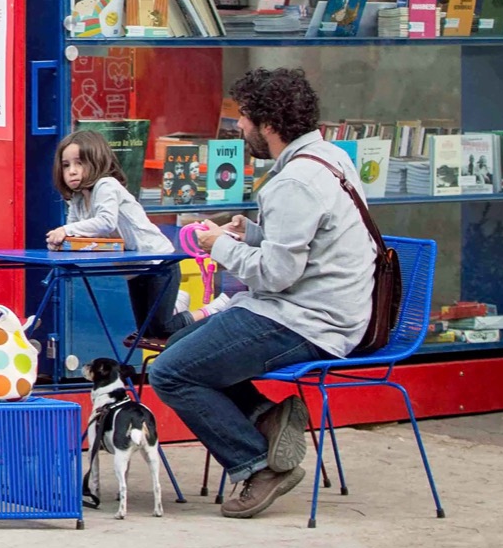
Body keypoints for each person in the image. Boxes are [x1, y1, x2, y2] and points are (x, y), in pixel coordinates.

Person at [149, 67, 377, 520]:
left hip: (307, 319)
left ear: (268, 125)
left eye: (245, 118)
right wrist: (250, 232)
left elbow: (276, 275)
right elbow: (309, 245)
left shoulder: (292, 183)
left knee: (170, 373)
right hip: (323, 307)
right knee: (179, 347)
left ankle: (256, 465)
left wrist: (224, 246)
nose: (238, 126)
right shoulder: (328, 158)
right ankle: (269, 418)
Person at [44, 128, 179, 338]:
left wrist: (65, 230)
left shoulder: (106, 185)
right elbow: (76, 234)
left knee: (162, 329)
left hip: (158, 261)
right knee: (146, 333)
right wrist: (59, 243)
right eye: (66, 165)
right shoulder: (78, 198)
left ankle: (210, 314)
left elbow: (105, 222)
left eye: (80, 163)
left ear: (97, 162)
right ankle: (175, 308)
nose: (72, 171)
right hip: (134, 269)